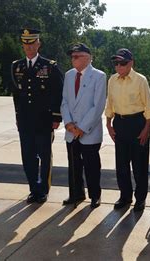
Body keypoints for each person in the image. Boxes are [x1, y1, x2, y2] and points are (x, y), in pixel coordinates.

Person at [10, 28, 63, 203]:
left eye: (32, 43)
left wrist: (56, 117)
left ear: (38, 43)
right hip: (25, 120)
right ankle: (33, 188)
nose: (29, 47)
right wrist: (18, 116)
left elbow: (58, 92)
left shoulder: (49, 66)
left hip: (43, 119)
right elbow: (16, 95)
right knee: (28, 156)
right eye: (25, 43)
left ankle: (43, 189)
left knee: (44, 155)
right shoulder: (16, 66)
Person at [105, 48, 150, 212]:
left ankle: (140, 199)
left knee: (139, 166)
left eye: (122, 63)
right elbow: (110, 103)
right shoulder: (112, 80)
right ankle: (125, 196)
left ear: (131, 63)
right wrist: (108, 124)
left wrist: (146, 129)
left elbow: (149, 106)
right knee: (121, 165)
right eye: (116, 63)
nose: (119, 67)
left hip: (138, 123)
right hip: (120, 123)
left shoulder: (140, 80)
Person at [61, 43, 107, 209]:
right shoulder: (69, 75)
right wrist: (68, 123)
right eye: (72, 56)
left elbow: (98, 105)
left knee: (91, 166)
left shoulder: (99, 76)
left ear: (88, 57)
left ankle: (95, 196)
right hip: (71, 130)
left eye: (76, 56)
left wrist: (82, 128)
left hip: (89, 131)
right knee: (73, 164)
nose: (73, 59)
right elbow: (65, 101)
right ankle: (76, 193)